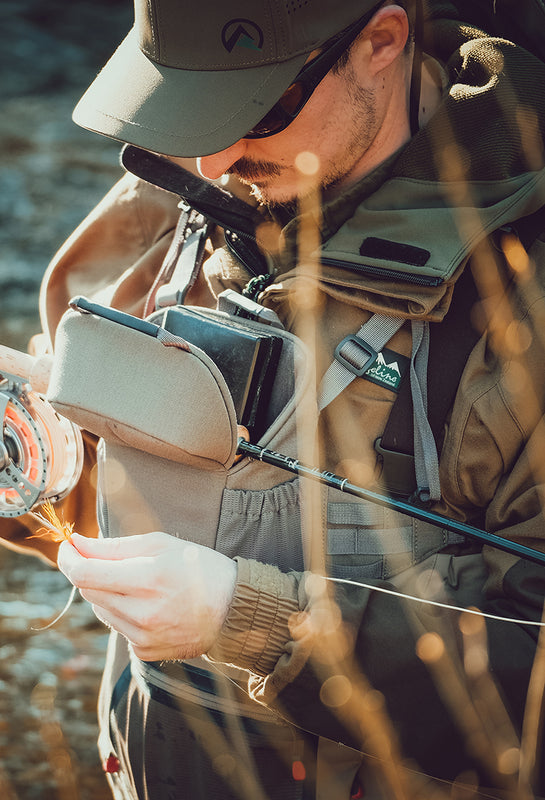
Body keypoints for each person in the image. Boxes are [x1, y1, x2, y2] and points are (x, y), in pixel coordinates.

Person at [3, 0, 545, 797]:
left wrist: (257, 622)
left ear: (381, 41)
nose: (215, 157)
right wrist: (33, 461)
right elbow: (87, 497)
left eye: (255, 107)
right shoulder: (173, 189)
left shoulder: (520, 303)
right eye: (190, 106)